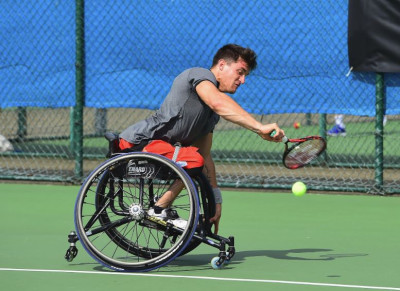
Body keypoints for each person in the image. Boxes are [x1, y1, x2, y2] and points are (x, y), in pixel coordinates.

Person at [118, 44, 285, 233]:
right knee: (191, 159)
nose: (243, 80)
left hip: (161, 151)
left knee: (195, 158)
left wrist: (216, 201)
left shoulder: (211, 115)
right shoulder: (199, 75)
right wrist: (259, 127)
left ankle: (160, 208)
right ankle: (158, 210)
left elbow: (205, 156)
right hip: (138, 144)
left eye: (245, 75)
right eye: (240, 72)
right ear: (221, 65)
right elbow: (217, 101)